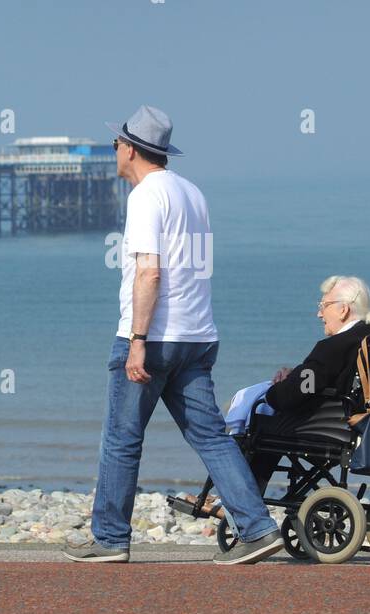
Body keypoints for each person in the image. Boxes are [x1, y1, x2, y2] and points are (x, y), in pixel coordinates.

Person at [63, 105, 284, 565]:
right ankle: (257, 528)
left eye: (116, 144)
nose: (114, 151)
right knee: (211, 437)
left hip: (153, 336)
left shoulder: (145, 197)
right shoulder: (192, 193)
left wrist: (138, 340)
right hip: (197, 335)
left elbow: (149, 272)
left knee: (122, 439)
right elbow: (197, 268)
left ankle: (109, 539)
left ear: (130, 150)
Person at [185, 275, 370, 514]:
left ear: (343, 309)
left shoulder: (334, 347)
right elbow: (319, 378)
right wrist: (297, 375)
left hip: (331, 430)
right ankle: (235, 500)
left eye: (322, 306)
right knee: (270, 424)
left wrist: (276, 389)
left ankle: (238, 504)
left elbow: (290, 395)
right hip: (368, 427)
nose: (319, 314)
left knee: (260, 424)